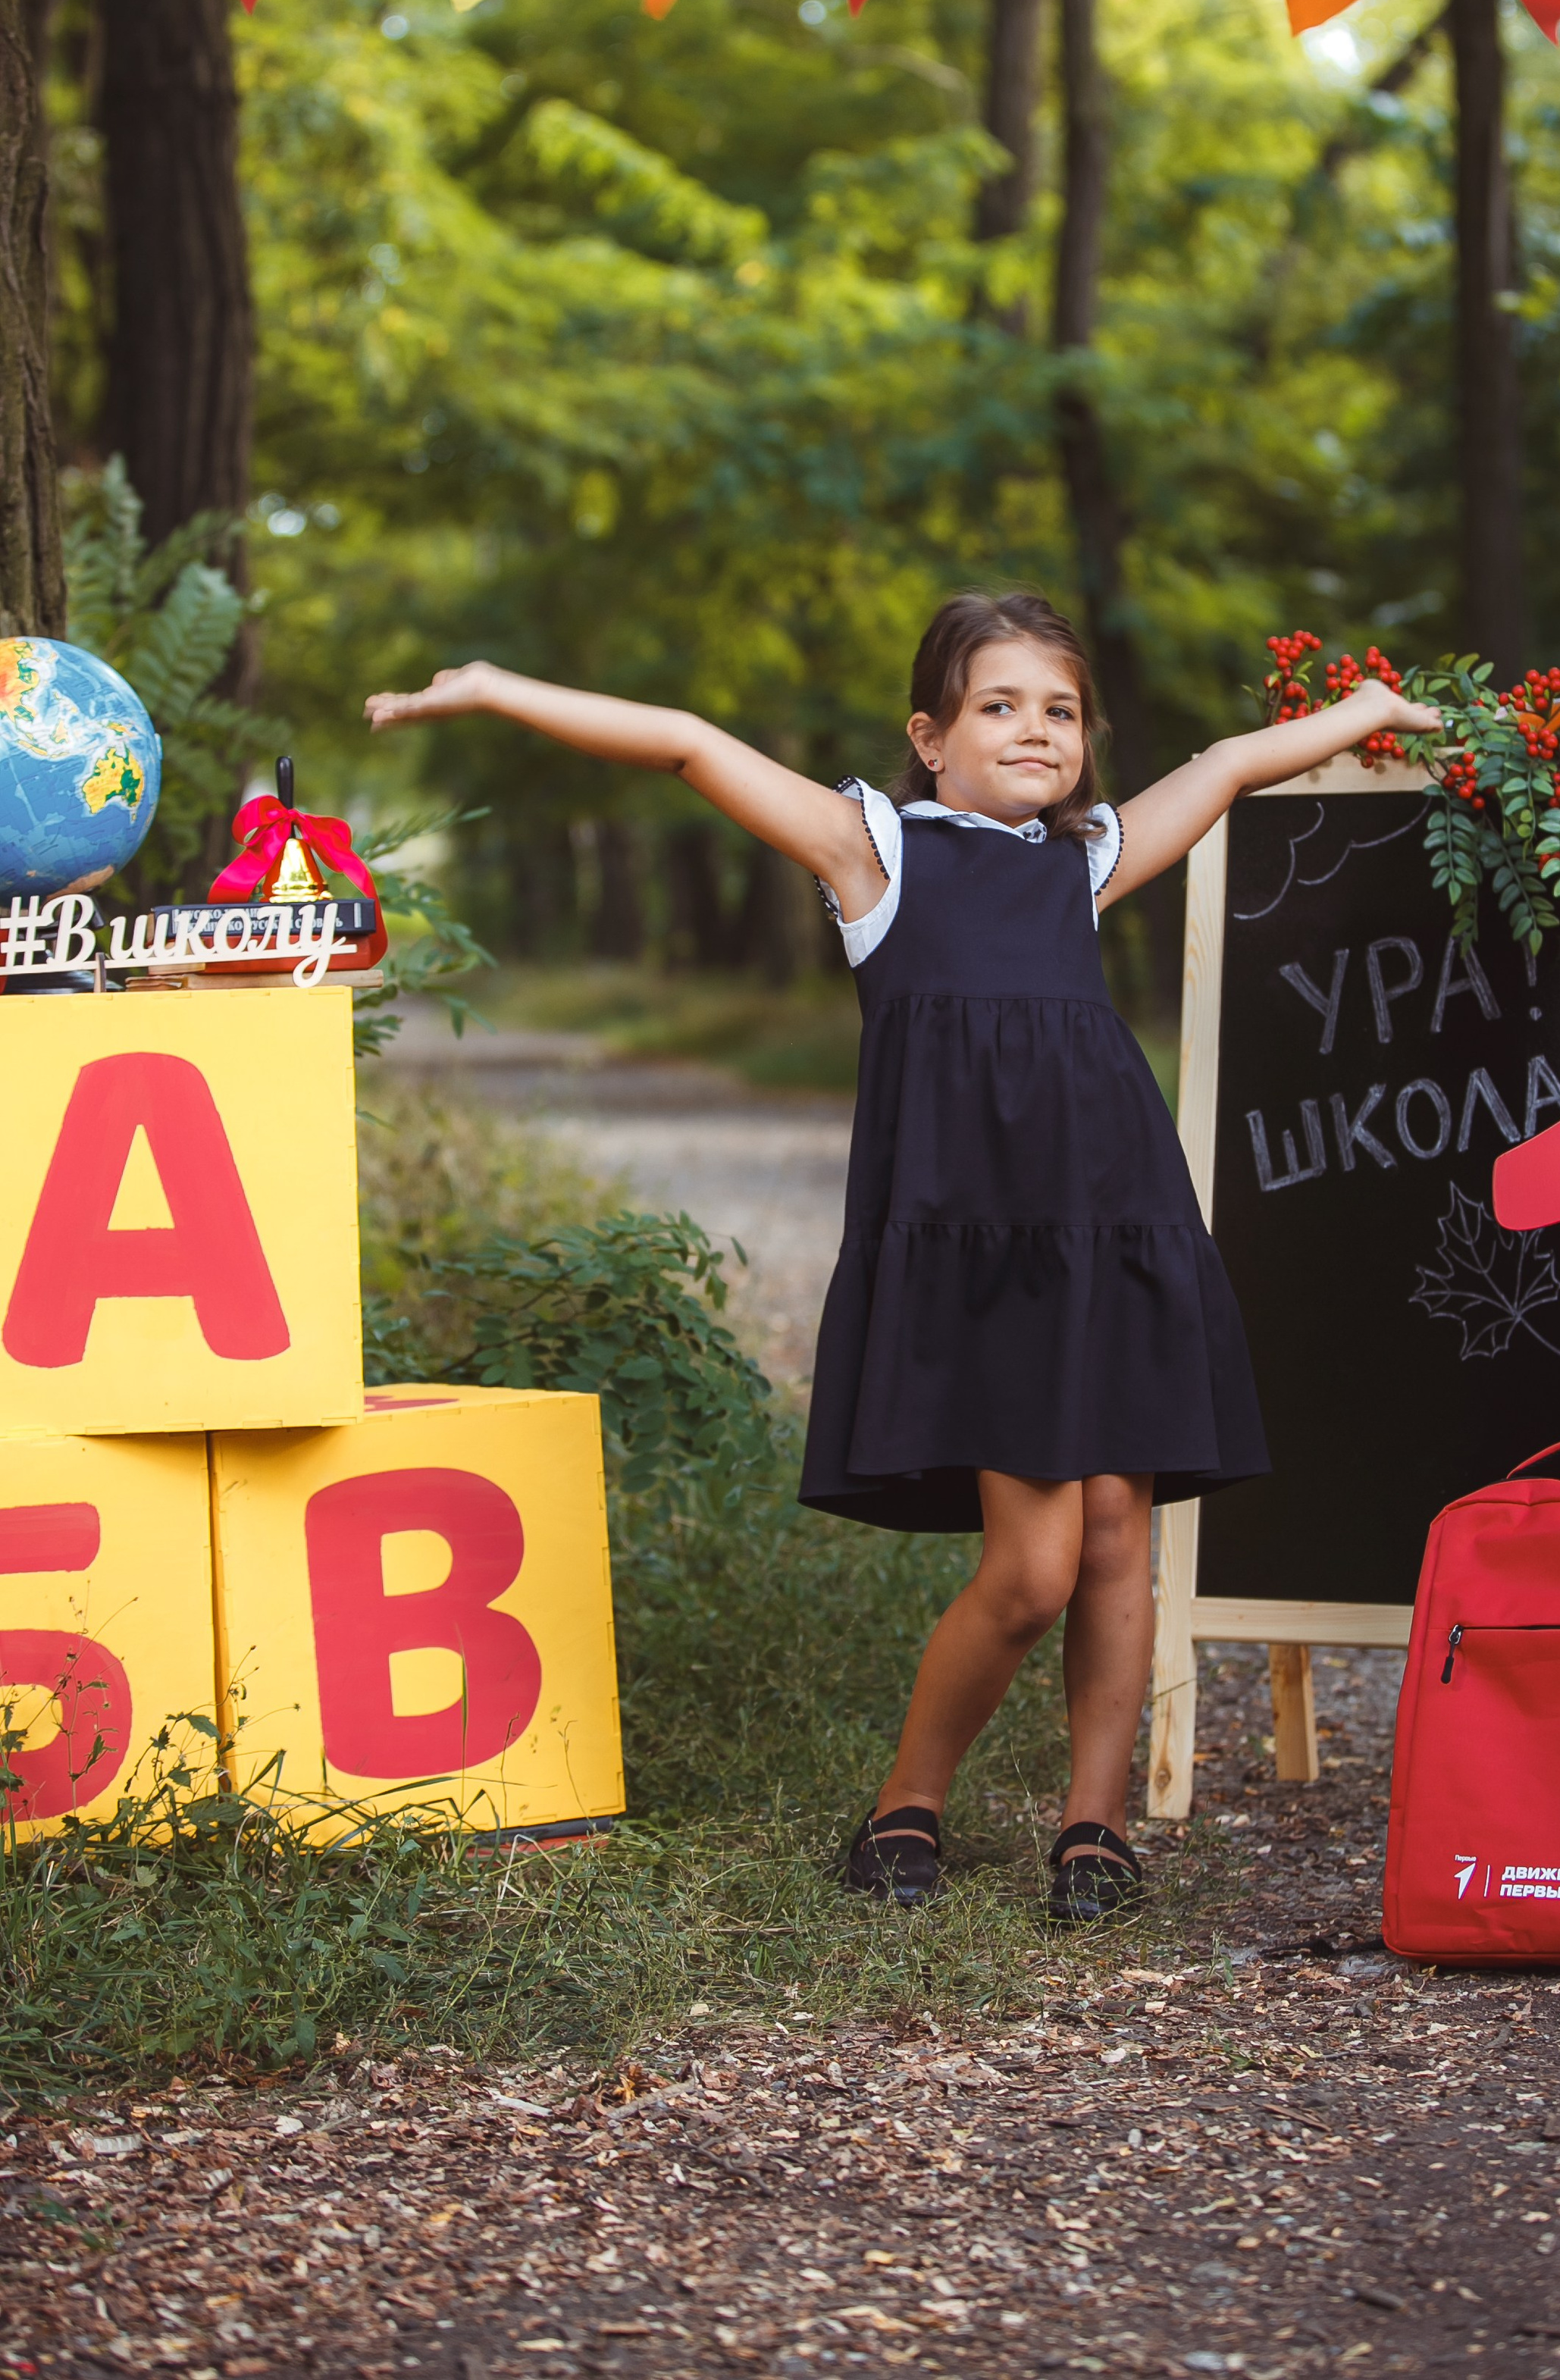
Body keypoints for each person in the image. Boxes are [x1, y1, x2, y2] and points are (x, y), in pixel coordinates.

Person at [366, 592, 1436, 1922]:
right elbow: (689, 742)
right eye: (1000, 706)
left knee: (1118, 1543)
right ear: (930, 738)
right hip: (985, 1261)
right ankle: (905, 1802)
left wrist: (1371, 715)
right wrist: (493, 686)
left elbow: (1222, 766)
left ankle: (1092, 1827)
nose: (1037, 732)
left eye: (1061, 711)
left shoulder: (1083, 860)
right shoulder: (878, 854)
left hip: (1114, 1224)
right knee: (1034, 1566)